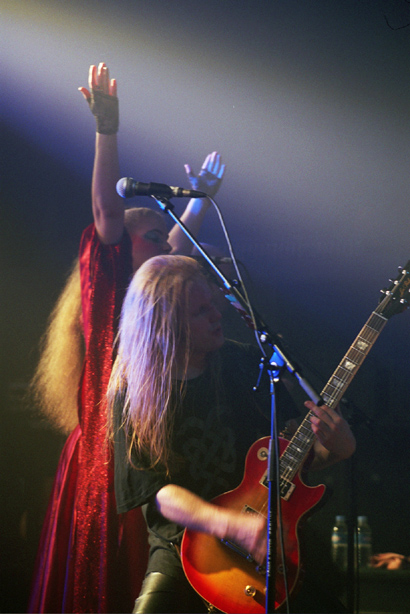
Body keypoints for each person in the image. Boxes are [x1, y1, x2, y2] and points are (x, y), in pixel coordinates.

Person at [28, 62, 224, 614]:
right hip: (105, 460)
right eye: (153, 237)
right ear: (119, 248)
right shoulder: (110, 281)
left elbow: (176, 251)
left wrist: (199, 200)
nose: (167, 246)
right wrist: (106, 129)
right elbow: (107, 210)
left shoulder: (155, 296)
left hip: (144, 453)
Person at [107, 254, 357, 613]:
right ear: (165, 325)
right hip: (184, 550)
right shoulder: (133, 392)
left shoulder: (244, 364)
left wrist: (336, 449)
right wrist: (232, 525)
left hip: (265, 544)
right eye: (200, 311)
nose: (216, 315)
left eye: (213, 303)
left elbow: (289, 462)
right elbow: (158, 494)